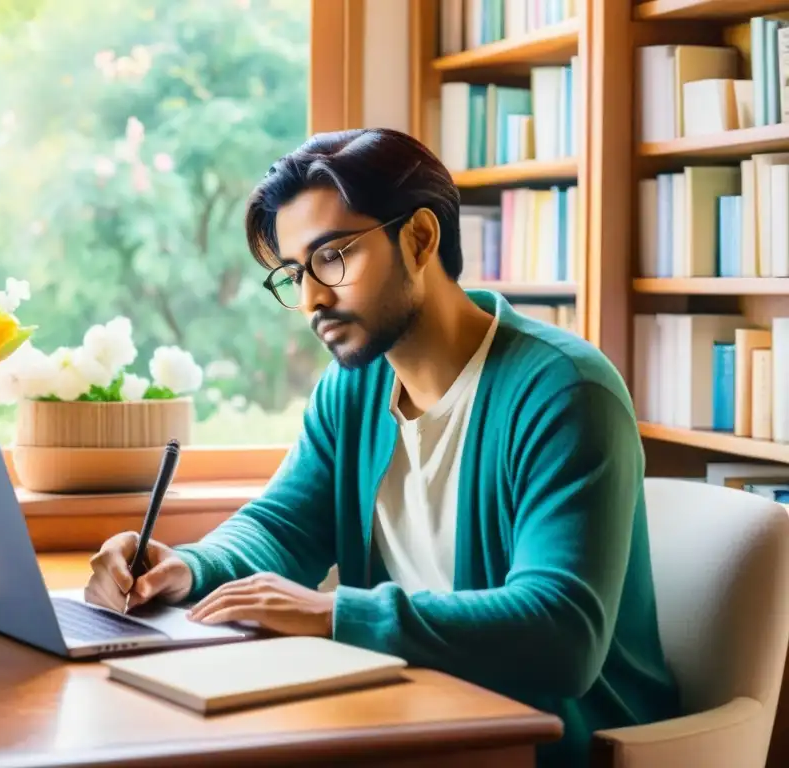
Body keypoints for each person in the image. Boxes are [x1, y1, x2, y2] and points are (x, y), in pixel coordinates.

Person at [84, 127, 682, 767]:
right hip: (410, 719)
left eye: (333, 257)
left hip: (548, 743)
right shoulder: (353, 389)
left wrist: (333, 614)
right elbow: (284, 525)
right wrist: (188, 568)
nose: (312, 297)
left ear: (420, 238)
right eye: (294, 273)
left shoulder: (564, 392)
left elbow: (562, 634)